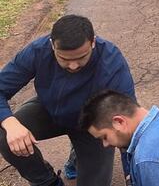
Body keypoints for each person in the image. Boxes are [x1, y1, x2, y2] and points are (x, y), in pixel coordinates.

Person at [0, 15, 135, 186]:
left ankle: (79, 154)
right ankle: (47, 182)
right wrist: (10, 123)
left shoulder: (111, 60)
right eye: (64, 59)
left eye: (81, 57)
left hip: (93, 124)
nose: (73, 66)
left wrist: (132, 176)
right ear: (52, 45)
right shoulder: (38, 50)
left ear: (93, 42)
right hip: (48, 111)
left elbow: (127, 122)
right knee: (5, 134)